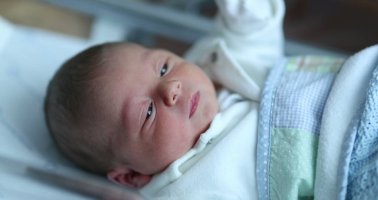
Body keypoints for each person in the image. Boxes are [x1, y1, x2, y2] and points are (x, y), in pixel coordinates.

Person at [44, 0, 285, 199]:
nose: (172, 88)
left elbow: (255, 32)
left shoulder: (216, 62)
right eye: (148, 112)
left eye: (162, 69)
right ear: (132, 176)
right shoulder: (190, 188)